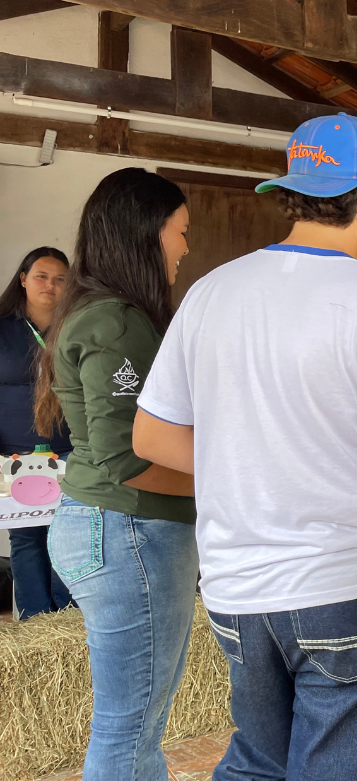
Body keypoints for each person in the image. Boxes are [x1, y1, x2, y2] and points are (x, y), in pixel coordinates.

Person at [133, 113, 357, 781]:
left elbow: (151, 435)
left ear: (292, 194)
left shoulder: (210, 293)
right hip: (348, 587)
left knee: (259, 761)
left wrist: (246, 454)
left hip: (237, 591)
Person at [35, 169, 196, 781]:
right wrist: (227, 484)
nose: (185, 247)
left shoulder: (98, 311)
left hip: (113, 529)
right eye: (181, 232)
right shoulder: (118, 321)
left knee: (134, 726)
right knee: (130, 730)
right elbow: (129, 460)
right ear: (148, 232)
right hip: (128, 532)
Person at [0, 247, 72, 619]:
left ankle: (68, 620)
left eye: (61, 279)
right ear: (24, 278)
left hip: (70, 453)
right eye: (42, 276)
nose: (50, 285)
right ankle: (35, 623)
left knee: (67, 533)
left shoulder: (76, 326)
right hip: (15, 457)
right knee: (27, 538)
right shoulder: (3, 328)